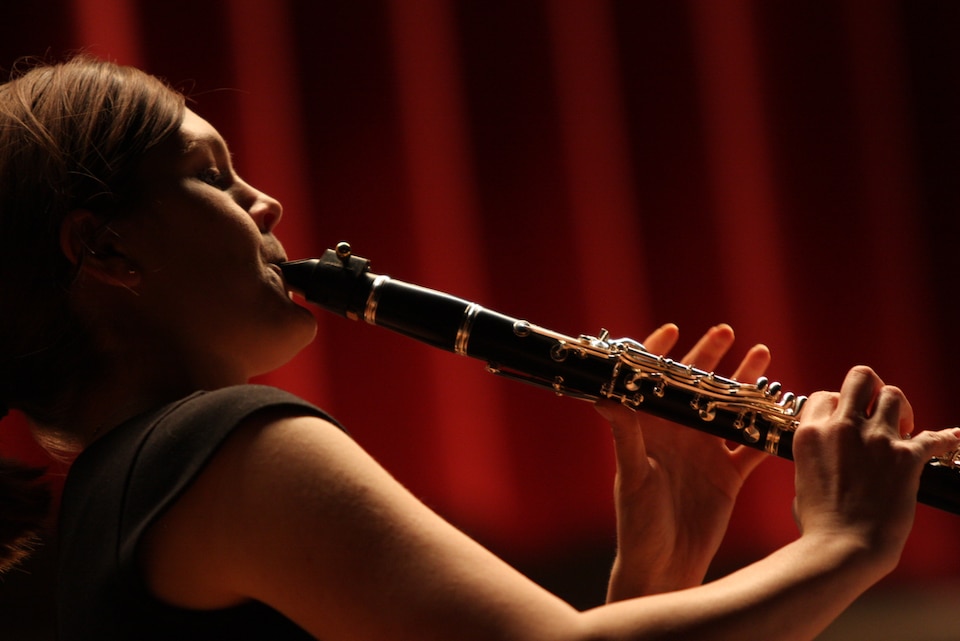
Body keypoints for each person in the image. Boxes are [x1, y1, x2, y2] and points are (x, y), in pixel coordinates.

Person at [0, 55, 957, 641]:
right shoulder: (217, 446)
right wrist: (846, 541)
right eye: (213, 177)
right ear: (105, 247)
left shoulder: (112, 495)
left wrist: (652, 588)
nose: (269, 205)